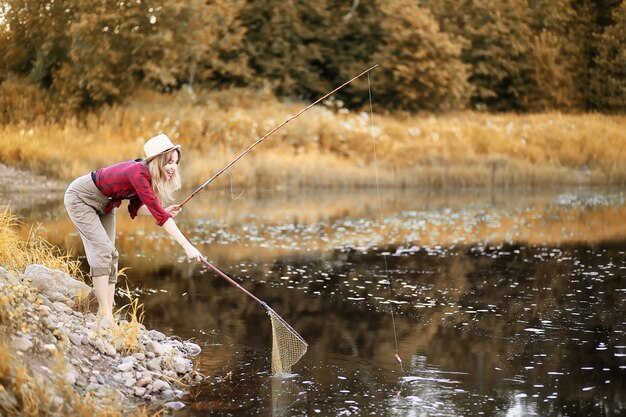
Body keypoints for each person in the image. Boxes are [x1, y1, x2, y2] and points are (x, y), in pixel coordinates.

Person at [64, 133, 203, 328]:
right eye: (169, 162)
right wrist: (187, 246)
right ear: (158, 161)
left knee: (112, 254)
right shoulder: (138, 173)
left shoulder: (147, 177)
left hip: (107, 204)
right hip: (81, 197)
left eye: (176, 162)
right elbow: (160, 218)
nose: (173, 167)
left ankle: (107, 315)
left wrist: (163, 210)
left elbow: (135, 209)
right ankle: (103, 316)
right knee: (102, 250)